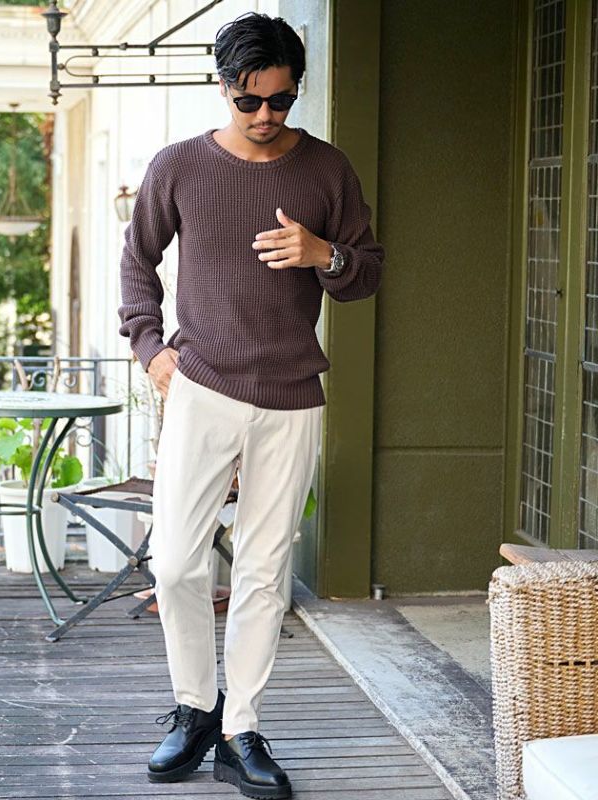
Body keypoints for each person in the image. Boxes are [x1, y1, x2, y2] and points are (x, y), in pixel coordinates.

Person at [117, 11, 385, 799]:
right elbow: (137, 259)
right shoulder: (179, 167)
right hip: (201, 388)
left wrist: (323, 254)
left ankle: (240, 729)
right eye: (250, 100)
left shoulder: (327, 170)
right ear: (224, 86)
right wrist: (149, 346)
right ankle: (195, 707)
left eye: (282, 99)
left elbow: (367, 272)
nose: (267, 115)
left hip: (292, 397)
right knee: (175, 562)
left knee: (265, 572)